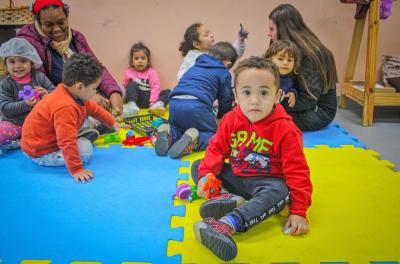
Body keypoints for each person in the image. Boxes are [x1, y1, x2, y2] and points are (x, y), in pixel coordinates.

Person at [191, 57, 312, 261]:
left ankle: (227, 223)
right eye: (247, 92)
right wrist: (206, 176)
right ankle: (227, 198)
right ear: (236, 96)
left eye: (264, 92)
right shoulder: (231, 119)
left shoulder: (285, 129)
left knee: (280, 191)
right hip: (239, 177)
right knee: (199, 166)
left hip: (268, 183)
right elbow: (217, 149)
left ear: (277, 95)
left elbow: (297, 171)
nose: (254, 100)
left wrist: (298, 211)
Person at [21, 54, 127, 183]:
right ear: (80, 87)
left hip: (44, 138)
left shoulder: (68, 91)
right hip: (41, 151)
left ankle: (81, 136)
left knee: (81, 122)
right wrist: (76, 169)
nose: (95, 92)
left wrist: (113, 122)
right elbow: (66, 141)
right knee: (85, 151)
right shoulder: (65, 107)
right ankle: (80, 140)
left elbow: (93, 108)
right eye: (94, 88)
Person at [16, 0, 123, 115]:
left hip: (86, 93)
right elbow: (40, 88)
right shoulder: (29, 44)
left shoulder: (76, 38)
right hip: (57, 103)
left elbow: (96, 68)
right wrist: (83, 96)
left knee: (119, 90)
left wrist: (114, 93)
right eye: (48, 25)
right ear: (37, 21)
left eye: (61, 22)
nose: (57, 29)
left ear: (67, 18)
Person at [155, 42, 238, 159]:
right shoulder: (223, 72)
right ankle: (196, 141)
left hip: (175, 101)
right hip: (197, 104)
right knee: (214, 134)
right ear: (228, 64)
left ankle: (170, 135)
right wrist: (221, 118)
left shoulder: (194, 67)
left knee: (178, 128)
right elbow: (226, 99)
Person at [267, 4, 338, 131]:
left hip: (317, 112)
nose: (268, 33)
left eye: (272, 29)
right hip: (297, 102)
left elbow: (308, 99)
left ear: (284, 30)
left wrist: (271, 104)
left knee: (262, 118)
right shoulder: (288, 48)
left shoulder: (310, 54)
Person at [0, 38, 54, 153]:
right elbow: (4, 108)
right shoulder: (6, 84)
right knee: (1, 134)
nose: (18, 66)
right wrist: (25, 104)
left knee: (58, 129)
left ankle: (21, 142)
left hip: (37, 124)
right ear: (6, 63)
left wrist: (47, 94)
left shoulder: (39, 77)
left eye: (23, 61)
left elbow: (56, 96)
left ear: (32, 62)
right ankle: (21, 141)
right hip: (14, 124)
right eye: (12, 61)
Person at [177, 22, 248, 80]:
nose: (211, 35)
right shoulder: (192, 58)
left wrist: (240, 40)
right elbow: (181, 75)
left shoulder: (214, 51)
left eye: (210, 33)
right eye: (206, 35)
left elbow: (232, 54)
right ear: (197, 44)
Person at [122, 42, 165, 118]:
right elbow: (125, 87)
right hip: (136, 100)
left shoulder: (152, 72)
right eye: (136, 58)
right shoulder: (128, 72)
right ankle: (131, 105)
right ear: (132, 61)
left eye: (143, 58)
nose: (140, 61)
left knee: (167, 92)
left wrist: (152, 102)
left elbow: (155, 88)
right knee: (131, 84)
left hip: (149, 100)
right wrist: (124, 99)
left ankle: (158, 105)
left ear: (148, 61)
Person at [265, 39, 300, 108]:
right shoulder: (265, 76)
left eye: (289, 60)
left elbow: (293, 87)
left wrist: (292, 92)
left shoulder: (292, 77)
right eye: (280, 59)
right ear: (270, 60)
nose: (285, 63)